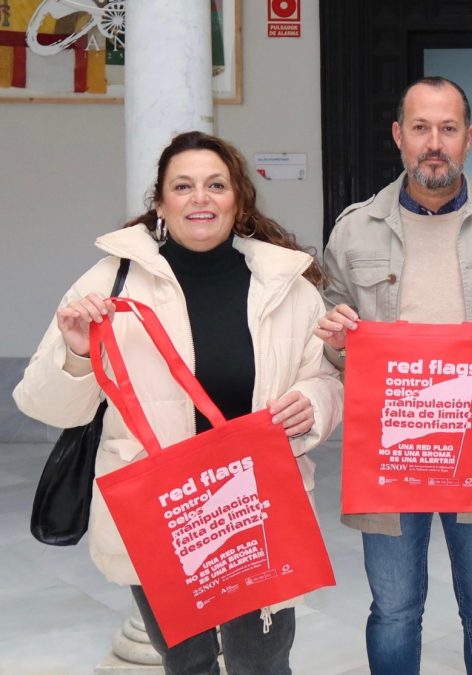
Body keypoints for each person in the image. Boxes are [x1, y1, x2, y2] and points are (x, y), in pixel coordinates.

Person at [14, 131, 344, 675]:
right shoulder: (109, 282)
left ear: (238, 197)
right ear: (160, 202)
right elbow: (48, 407)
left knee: (260, 662)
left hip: (256, 504)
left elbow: (324, 377)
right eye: (183, 186)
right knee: (187, 663)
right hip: (165, 512)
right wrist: (76, 353)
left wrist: (313, 402)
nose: (200, 198)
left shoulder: (285, 284)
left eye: (216, 185)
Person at [315, 76, 472, 674]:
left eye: (448, 129)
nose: (434, 143)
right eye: (421, 128)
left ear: (469, 139)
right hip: (389, 454)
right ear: (399, 136)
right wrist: (338, 341)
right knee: (394, 609)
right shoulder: (353, 230)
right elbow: (336, 349)